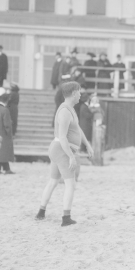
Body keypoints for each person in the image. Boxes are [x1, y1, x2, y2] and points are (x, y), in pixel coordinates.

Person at [35, 81, 94, 226]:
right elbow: (62, 137)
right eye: (79, 92)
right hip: (61, 149)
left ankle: (41, 212)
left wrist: (87, 144)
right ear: (73, 93)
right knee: (70, 184)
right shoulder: (65, 112)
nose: (81, 94)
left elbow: (77, 129)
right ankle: (66, 218)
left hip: (59, 149)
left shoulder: (70, 108)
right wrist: (71, 156)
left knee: (53, 181)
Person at [0, 93, 15, 174]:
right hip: (4, 133)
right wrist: (9, 133)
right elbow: (7, 124)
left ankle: (6, 168)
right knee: (3, 151)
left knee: (0, 151)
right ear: (7, 100)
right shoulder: (5, 110)